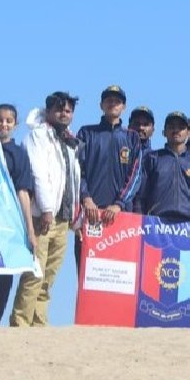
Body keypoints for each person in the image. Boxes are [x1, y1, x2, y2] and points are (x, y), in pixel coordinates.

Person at [11, 92, 83, 327]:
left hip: (63, 219)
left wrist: (75, 216)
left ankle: (39, 323)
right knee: (34, 273)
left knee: (49, 276)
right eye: (60, 109)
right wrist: (47, 209)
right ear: (49, 111)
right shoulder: (38, 135)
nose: (64, 113)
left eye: (69, 110)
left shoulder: (69, 140)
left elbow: (73, 180)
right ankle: (20, 323)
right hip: (42, 215)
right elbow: (39, 173)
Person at [74, 84, 143, 266]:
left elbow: (136, 176)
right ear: (101, 105)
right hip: (90, 214)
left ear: (123, 107)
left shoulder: (132, 138)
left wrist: (119, 204)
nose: (113, 104)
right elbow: (76, 168)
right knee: (86, 273)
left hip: (120, 216)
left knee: (119, 273)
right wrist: (86, 198)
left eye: (117, 101)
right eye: (109, 100)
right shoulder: (86, 133)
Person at [0, 104, 36, 327]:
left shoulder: (19, 154)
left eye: (9, 121)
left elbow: (23, 191)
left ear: (15, 124)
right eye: (0, 120)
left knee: (4, 275)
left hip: (10, 222)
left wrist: (30, 229)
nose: (4, 124)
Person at [135, 111, 190, 223]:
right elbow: (140, 195)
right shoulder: (152, 158)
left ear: (188, 132)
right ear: (164, 132)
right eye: (171, 127)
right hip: (156, 226)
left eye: (181, 127)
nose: (176, 130)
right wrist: (141, 220)